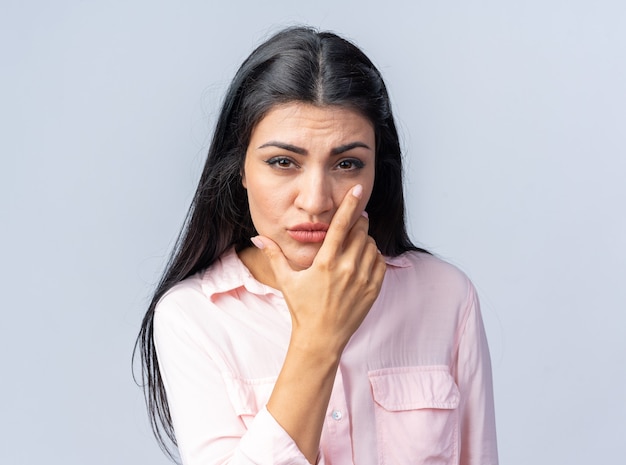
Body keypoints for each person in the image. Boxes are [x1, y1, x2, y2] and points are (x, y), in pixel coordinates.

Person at [135, 26, 498, 465]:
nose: (316, 200)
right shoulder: (194, 316)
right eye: (283, 162)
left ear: (375, 173)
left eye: (347, 164)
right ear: (241, 169)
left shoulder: (446, 296)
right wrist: (317, 339)